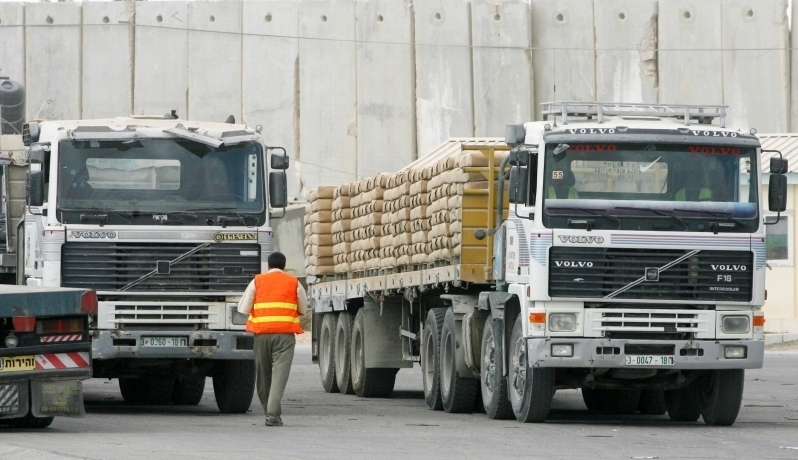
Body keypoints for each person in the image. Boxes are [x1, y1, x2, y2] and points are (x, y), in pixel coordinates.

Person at [237, 252, 307, 427]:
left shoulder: (257, 281)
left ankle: (269, 412)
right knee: (279, 378)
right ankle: (272, 415)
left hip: (261, 336)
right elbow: (304, 309)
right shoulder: (294, 282)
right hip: (285, 337)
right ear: (284, 266)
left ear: (268, 266)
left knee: (263, 377)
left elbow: (243, 308)